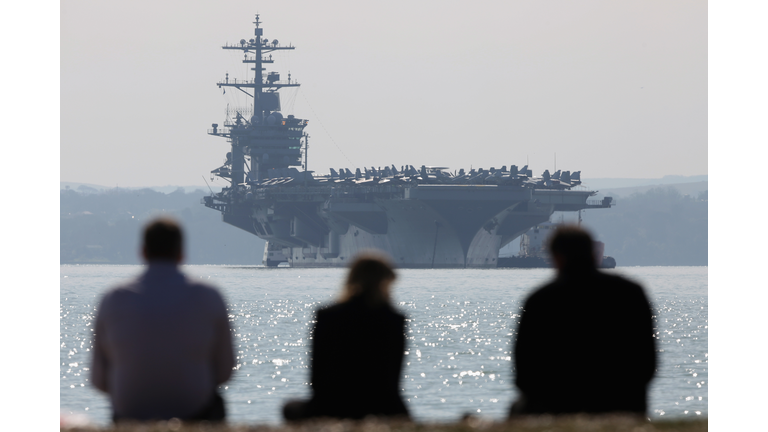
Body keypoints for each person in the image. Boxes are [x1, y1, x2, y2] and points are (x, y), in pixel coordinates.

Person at [91, 218, 235, 422]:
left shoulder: (113, 298)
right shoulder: (209, 296)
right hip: (194, 413)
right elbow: (224, 373)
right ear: (181, 254)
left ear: (142, 252)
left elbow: (99, 381)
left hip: (130, 416)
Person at [510, 225, 656, 417]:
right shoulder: (632, 292)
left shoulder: (540, 299)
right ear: (593, 252)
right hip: (624, 403)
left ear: (557, 257)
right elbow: (648, 363)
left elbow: (524, 372)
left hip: (556, 405)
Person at [283, 253, 410, 421]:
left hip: (332, 403)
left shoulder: (326, 315)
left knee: (289, 408)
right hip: (382, 404)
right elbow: (393, 376)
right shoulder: (394, 319)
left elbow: (317, 374)